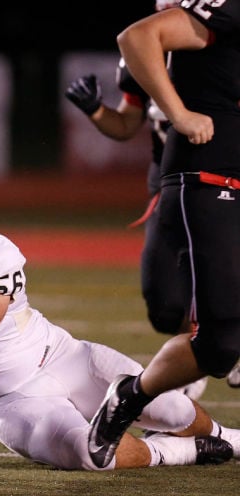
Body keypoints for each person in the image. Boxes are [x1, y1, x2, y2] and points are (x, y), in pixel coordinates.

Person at [0, 171, 240, 470]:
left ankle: (228, 436)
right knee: (89, 454)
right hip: (3, 401)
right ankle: (174, 452)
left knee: (168, 407)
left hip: (63, 358)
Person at [85, 1, 240, 469]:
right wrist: (179, 114)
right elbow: (136, 38)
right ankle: (131, 395)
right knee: (217, 341)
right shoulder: (227, 10)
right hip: (213, 177)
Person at [63, 0, 221, 398]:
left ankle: (210, 351)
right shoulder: (143, 55)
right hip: (167, 182)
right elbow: (125, 124)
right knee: (165, 302)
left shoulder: (221, 50)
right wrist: (94, 109)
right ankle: (205, 344)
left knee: (220, 276)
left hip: (219, 177)